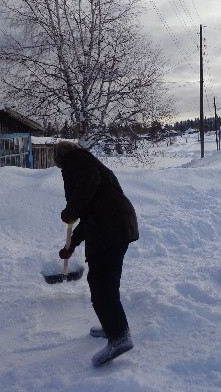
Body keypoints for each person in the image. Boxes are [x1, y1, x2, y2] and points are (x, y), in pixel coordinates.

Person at [54, 141, 139, 367]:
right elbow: (90, 212)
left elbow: (85, 193)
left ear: (60, 159)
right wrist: (71, 245)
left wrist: (72, 209)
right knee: (107, 282)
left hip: (110, 228)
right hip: (116, 224)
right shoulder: (87, 163)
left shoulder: (78, 163)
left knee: (100, 283)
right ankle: (112, 325)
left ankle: (119, 337)